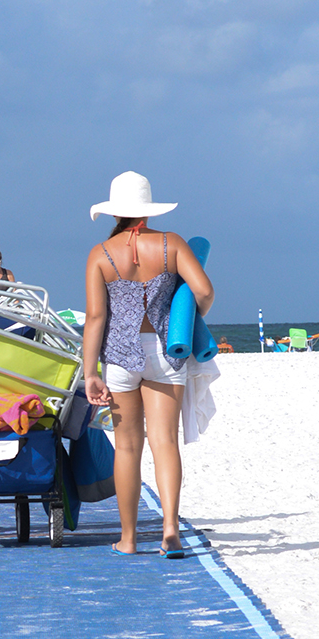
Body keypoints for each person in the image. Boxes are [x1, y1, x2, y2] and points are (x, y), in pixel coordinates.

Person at [83, 171, 213, 559]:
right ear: (147, 210)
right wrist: (191, 320)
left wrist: (90, 372)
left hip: (120, 356)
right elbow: (203, 290)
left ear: (115, 212)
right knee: (165, 442)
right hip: (165, 350)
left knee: (126, 448)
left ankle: (128, 537)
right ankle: (170, 530)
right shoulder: (171, 244)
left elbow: (95, 317)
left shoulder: (100, 254)